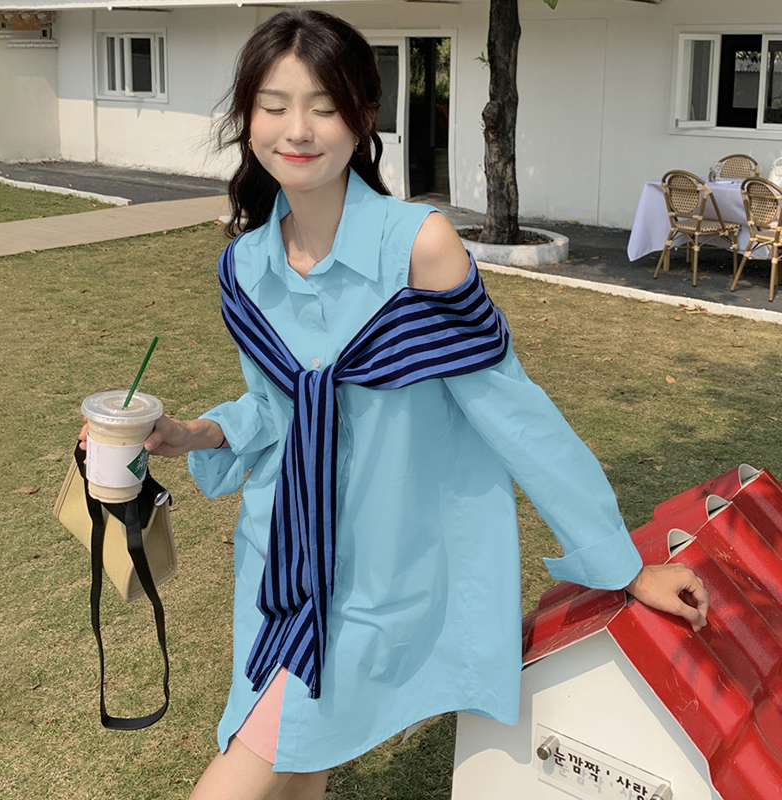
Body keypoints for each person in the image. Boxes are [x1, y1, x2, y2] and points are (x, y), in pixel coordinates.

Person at [81, 10, 709, 800]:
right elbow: (274, 412)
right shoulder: (244, 268)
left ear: (363, 115)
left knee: (263, 755)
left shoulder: (421, 247)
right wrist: (188, 432)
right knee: (301, 763)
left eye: (323, 106)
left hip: (383, 568)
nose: (297, 129)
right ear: (248, 117)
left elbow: (517, 416)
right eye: (274, 105)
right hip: (282, 562)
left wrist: (622, 566)